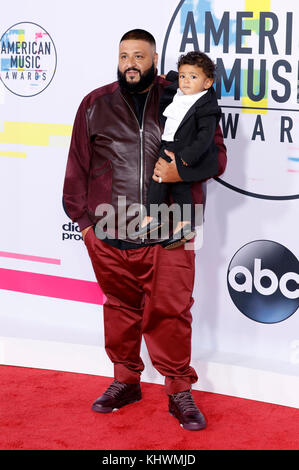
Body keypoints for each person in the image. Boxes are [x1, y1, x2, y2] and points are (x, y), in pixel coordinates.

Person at [63, 29, 227, 431]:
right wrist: (85, 226)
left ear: (154, 58)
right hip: (110, 228)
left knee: (171, 312)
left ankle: (178, 389)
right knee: (120, 309)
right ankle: (125, 381)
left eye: (139, 55)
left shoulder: (181, 96)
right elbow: (77, 167)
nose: (130, 63)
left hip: (172, 227)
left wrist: (180, 170)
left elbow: (218, 158)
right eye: (124, 56)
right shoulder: (95, 104)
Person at [134, 51, 221, 249]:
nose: (186, 81)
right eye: (183, 76)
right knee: (163, 182)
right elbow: (176, 77)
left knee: (172, 184)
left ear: (207, 83)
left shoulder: (207, 106)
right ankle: (162, 220)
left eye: (193, 77)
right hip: (168, 143)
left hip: (183, 151)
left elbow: (205, 138)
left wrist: (186, 158)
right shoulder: (181, 92)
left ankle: (168, 221)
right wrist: (172, 76)